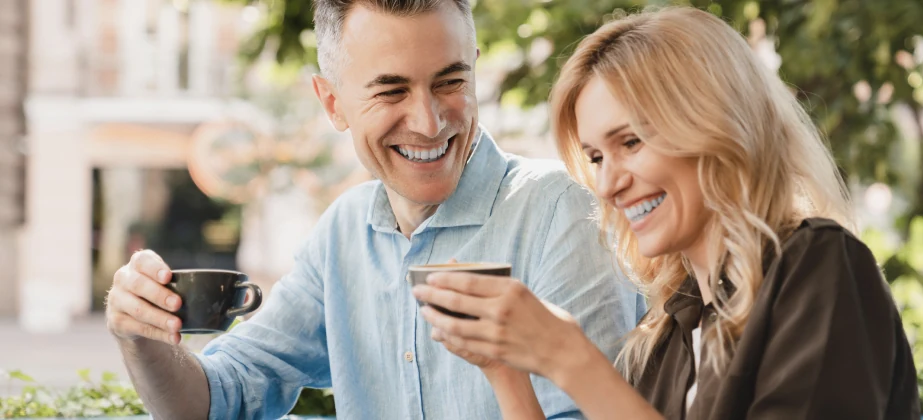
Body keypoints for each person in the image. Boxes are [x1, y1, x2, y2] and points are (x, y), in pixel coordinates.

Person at [104, 1, 643, 418]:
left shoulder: (564, 211)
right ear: (333, 103)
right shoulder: (342, 232)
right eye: (391, 91)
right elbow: (219, 399)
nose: (429, 122)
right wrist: (140, 338)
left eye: (450, 82)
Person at [412, 7, 921, 420]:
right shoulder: (672, 328)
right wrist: (504, 368)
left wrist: (571, 360)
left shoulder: (819, 265)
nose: (607, 185)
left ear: (716, 126)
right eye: (596, 157)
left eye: (631, 142)